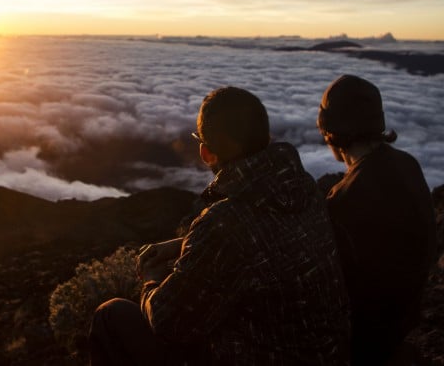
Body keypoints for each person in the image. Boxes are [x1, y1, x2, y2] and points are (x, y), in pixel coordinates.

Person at [90, 86, 350, 365]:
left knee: (111, 315)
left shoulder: (225, 222)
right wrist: (185, 244)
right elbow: (266, 243)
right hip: (329, 355)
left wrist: (152, 279)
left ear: (206, 153)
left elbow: (169, 323)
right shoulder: (303, 187)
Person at [317, 74, 437, 365]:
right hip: (405, 318)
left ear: (330, 131)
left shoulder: (345, 200)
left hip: (366, 339)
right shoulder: (408, 164)